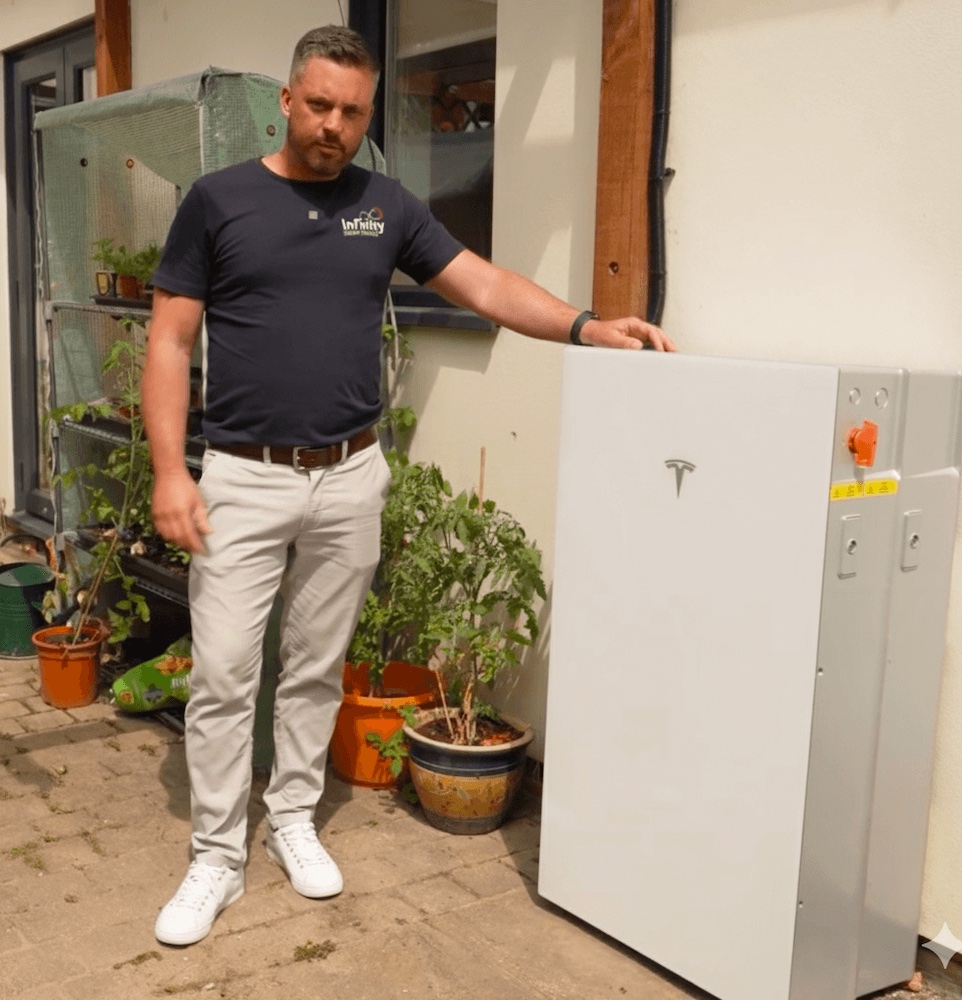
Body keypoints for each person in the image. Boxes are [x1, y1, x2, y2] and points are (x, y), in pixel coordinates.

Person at [143, 23, 676, 947]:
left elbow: (486, 287)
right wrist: (167, 472)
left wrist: (588, 326)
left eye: (352, 112)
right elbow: (169, 339)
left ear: (367, 115)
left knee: (316, 667)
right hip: (243, 478)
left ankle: (294, 818)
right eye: (319, 105)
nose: (333, 126)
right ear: (286, 99)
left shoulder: (384, 205)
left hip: (350, 475)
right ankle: (217, 856)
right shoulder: (218, 200)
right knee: (225, 674)